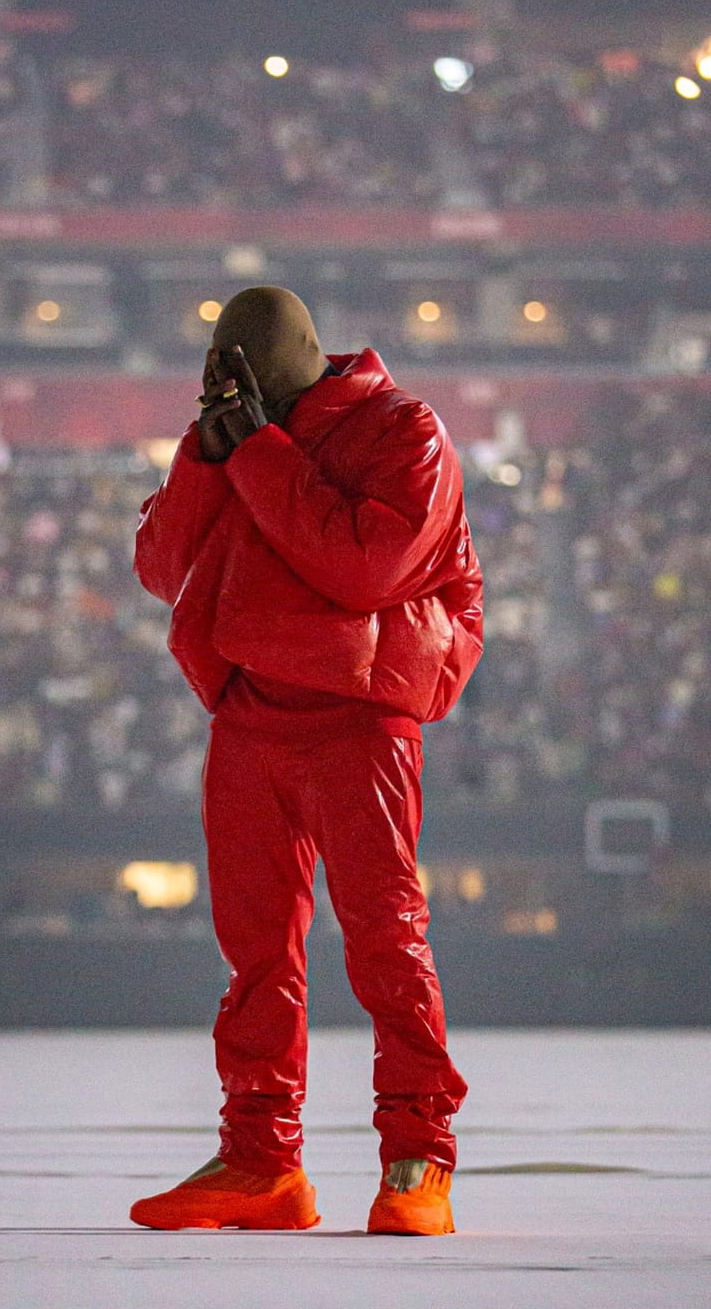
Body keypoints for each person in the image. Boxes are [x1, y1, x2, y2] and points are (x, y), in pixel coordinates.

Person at [130, 287, 483, 1235]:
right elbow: (163, 567)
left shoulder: (405, 429)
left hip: (360, 718)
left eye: (238, 375)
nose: (223, 389)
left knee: (385, 938)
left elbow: (363, 567)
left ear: (281, 369)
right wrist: (209, 453)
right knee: (255, 954)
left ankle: (417, 1159)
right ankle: (259, 1158)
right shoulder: (238, 437)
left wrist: (256, 449)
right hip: (251, 713)